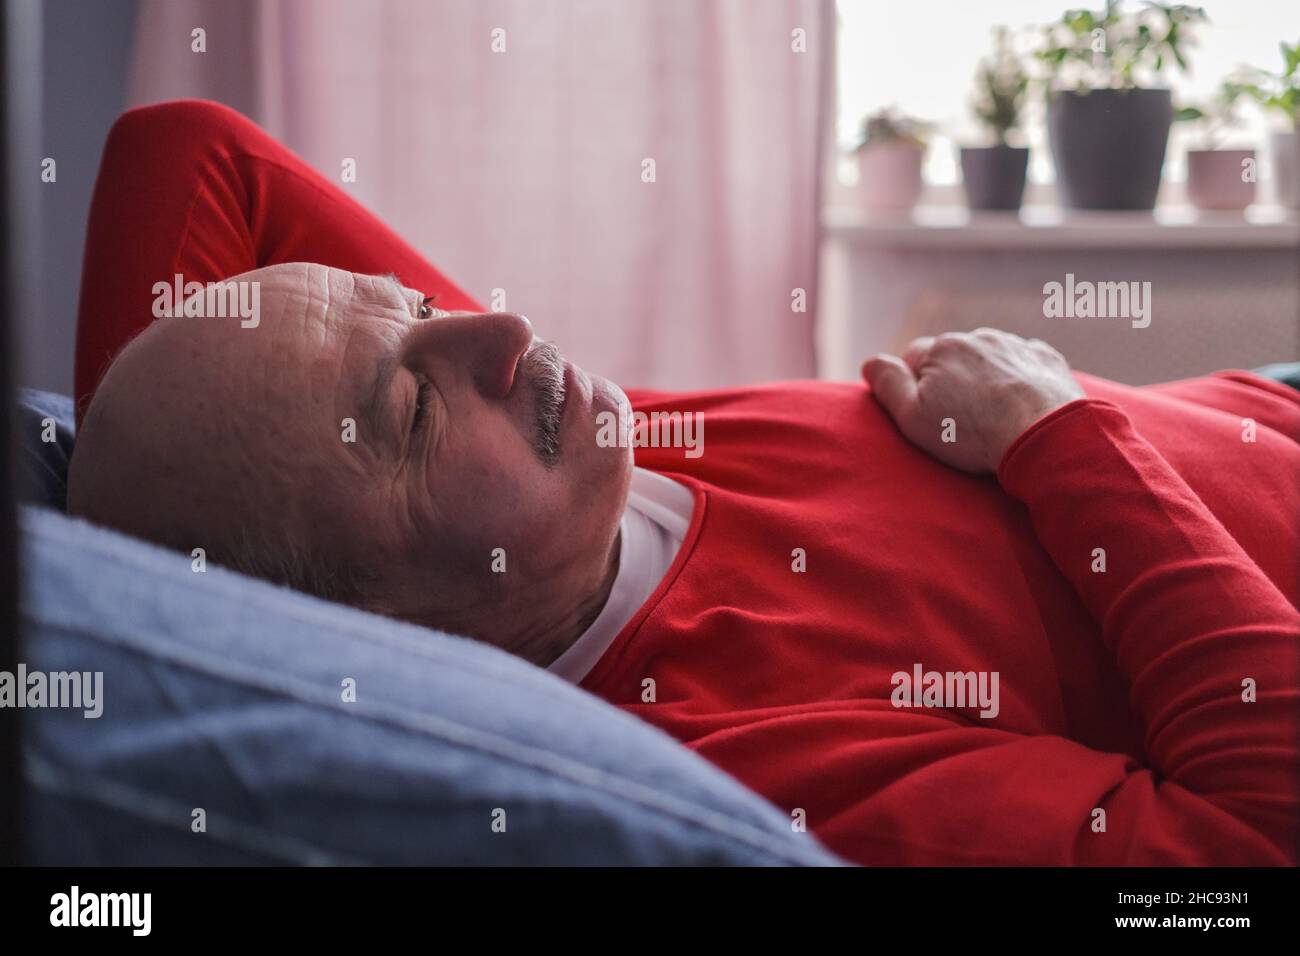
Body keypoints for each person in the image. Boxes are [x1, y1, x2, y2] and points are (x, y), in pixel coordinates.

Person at [68, 100, 1300, 866]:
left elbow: (190, 153)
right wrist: (1056, 429)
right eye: (412, 409)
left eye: (422, 310)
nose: (498, 327)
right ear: (367, 637)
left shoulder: (582, 454)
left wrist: (145, 520)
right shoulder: (766, 768)